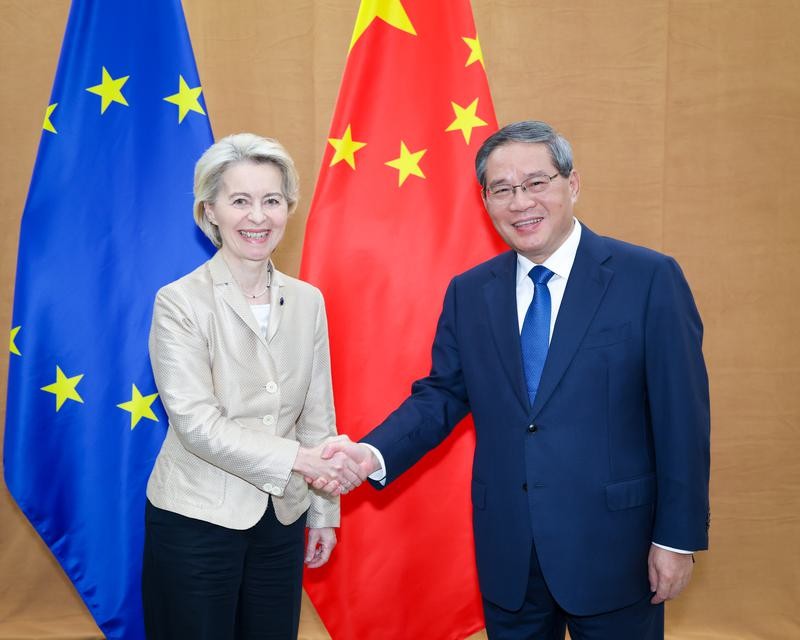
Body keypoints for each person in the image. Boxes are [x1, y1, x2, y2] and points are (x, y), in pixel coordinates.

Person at [319, 121, 710, 639]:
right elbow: (442, 395)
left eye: (536, 183)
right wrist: (371, 454)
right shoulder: (470, 292)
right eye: (502, 189)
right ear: (485, 201)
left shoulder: (648, 278)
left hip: (618, 551)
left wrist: (676, 539)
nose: (520, 202)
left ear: (572, 184)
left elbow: (683, 420)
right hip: (510, 552)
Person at [141, 133, 363, 640]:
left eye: (272, 200)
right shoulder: (178, 301)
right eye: (240, 201)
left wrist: (323, 511)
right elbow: (197, 425)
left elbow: (317, 414)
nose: (258, 217)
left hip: (283, 517)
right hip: (196, 518)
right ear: (210, 211)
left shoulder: (308, 301)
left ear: (288, 208)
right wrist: (300, 460)